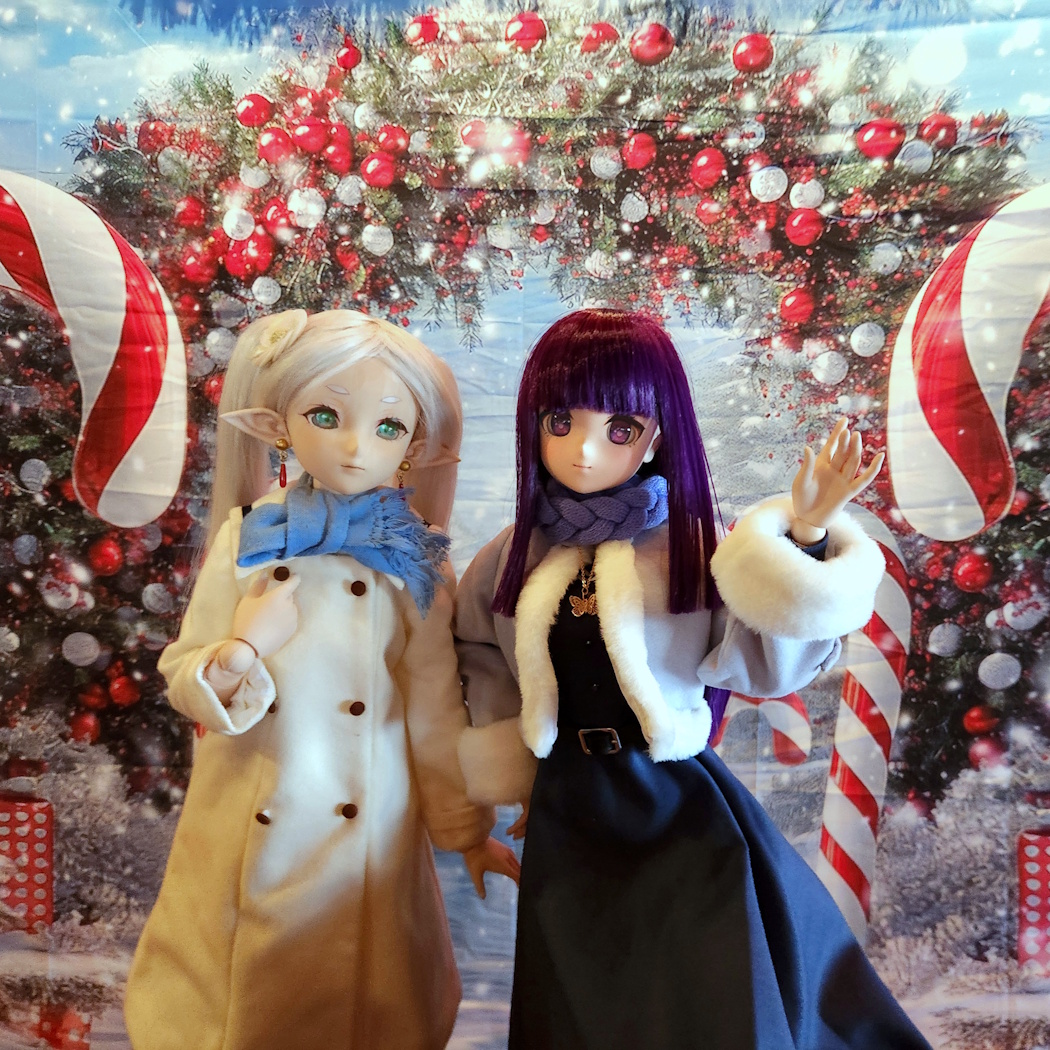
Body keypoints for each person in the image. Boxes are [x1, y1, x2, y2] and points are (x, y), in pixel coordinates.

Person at [453, 308, 932, 1050]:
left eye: (620, 428)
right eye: (560, 422)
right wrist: (516, 771)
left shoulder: (695, 544)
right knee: (586, 996)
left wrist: (804, 537)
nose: (585, 450)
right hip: (568, 806)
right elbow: (483, 655)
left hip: (672, 797)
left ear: (658, 434)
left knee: (708, 993)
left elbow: (768, 662)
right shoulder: (513, 554)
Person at [124, 309, 519, 1050]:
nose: (355, 446)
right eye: (326, 416)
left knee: (369, 1007)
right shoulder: (249, 537)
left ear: (415, 444)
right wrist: (242, 650)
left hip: (369, 831)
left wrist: (466, 831)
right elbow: (183, 671)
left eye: (387, 426)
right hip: (252, 811)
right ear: (278, 426)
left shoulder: (414, 561)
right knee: (235, 1010)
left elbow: (435, 708)